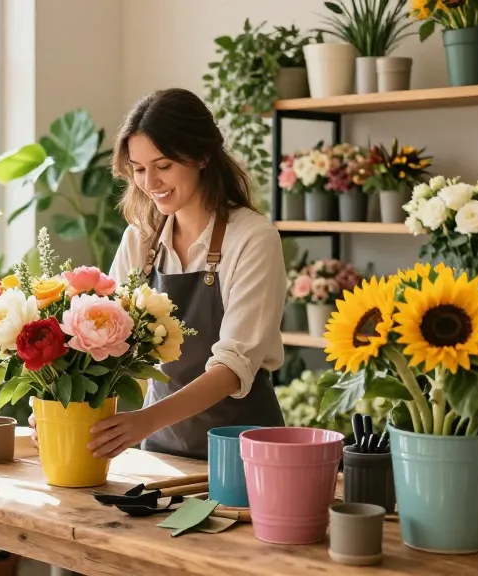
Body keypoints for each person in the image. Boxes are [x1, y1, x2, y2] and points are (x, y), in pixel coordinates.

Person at [30, 87, 287, 461]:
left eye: (163, 166)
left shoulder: (252, 238)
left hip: (244, 452)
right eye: (138, 169)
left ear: (201, 156)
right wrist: (64, 412)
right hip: (162, 452)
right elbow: (104, 345)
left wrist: (144, 420)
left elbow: (234, 367)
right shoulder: (140, 240)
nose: (150, 184)